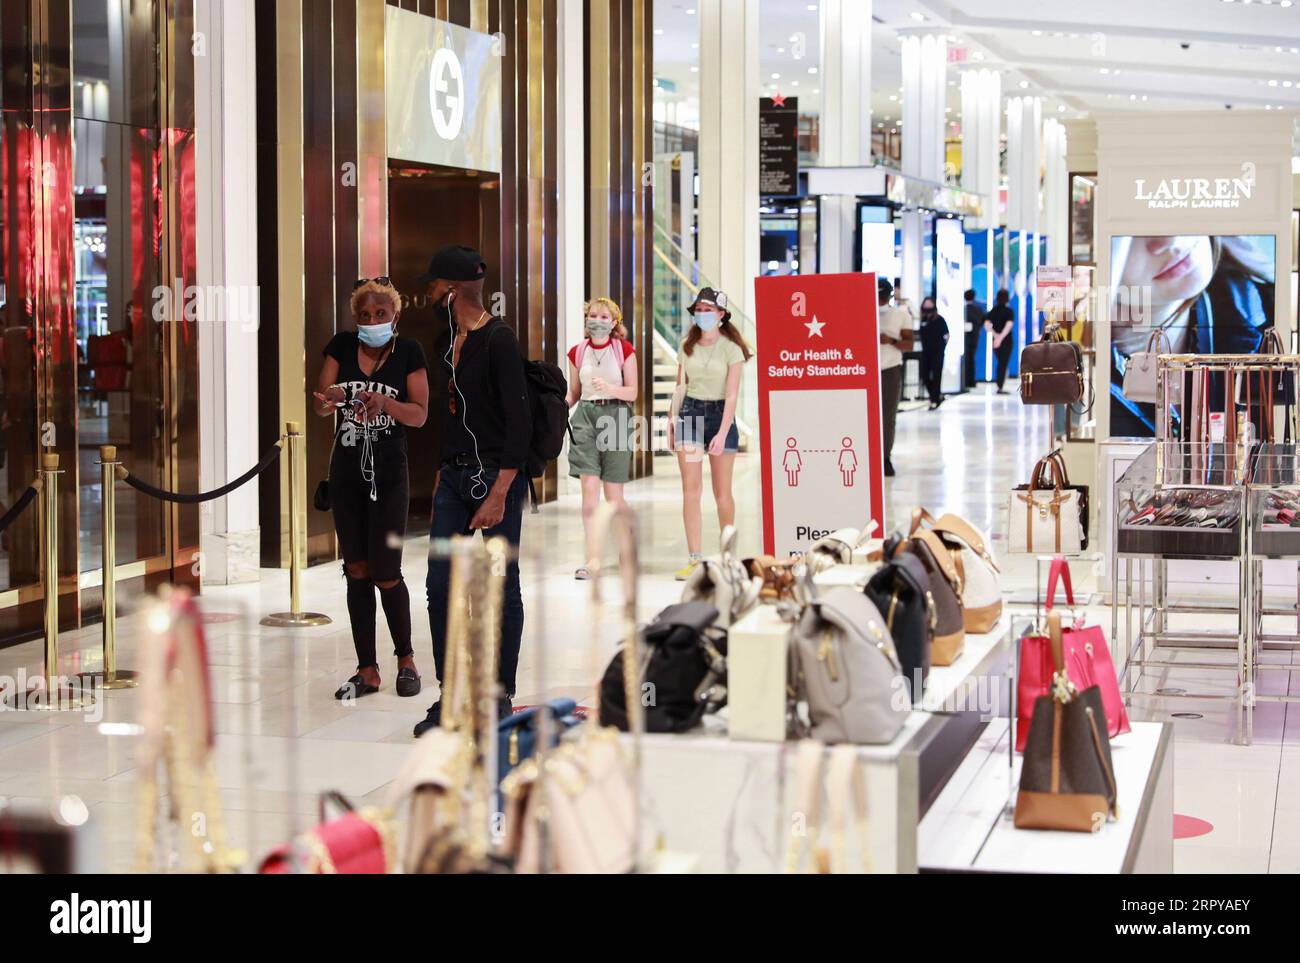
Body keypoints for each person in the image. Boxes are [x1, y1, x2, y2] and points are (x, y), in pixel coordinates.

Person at [414, 245, 531, 738]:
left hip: (497, 477)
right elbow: (454, 413)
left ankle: (500, 691)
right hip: (455, 478)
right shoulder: (446, 340)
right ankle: (451, 693)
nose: (428, 292)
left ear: (453, 289)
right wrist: (444, 467)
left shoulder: (499, 340)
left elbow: (520, 421)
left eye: (434, 285)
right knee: (440, 585)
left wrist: (501, 490)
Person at [313, 278, 429, 701]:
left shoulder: (408, 352)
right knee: (356, 569)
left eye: (380, 315)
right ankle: (367, 669)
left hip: (389, 475)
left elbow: (419, 414)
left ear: (394, 316)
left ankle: (406, 659)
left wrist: (387, 404)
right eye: (365, 316)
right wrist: (331, 400)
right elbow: (322, 399)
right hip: (346, 474)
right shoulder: (341, 347)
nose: (372, 321)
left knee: (386, 572)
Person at [1110, 234, 1275, 437]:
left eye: (1173, 207)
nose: (1169, 240)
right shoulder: (1081, 374)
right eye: (1131, 234)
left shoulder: (1269, 316)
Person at [668, 287, 751, 580]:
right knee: (691, 490)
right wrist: (671, 420)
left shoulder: (732, 349)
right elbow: (681, 386)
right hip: (690, 413)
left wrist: (724, 430)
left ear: (721, 314)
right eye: (698, 310)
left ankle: (728, 557)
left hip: (720, 416)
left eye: (708, 310)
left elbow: (732, 395)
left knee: (722, 492)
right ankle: (694, 558)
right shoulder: (686, 345)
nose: (702, 315)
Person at [566, 297, 638, 579]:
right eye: (593, 315)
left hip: (616, 417)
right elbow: (574, 392)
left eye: (604, 317)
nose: (597, 320)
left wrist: (610, 387)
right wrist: (558, 407)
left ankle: (625, 550)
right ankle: (592, 559)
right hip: (585, 416)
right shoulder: (577, 352)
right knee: (589, 495)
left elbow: (632, 392)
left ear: (614, 323)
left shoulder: (624, 350)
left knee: (614, 496)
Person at [877, 278, 912, 477]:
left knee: (888, 416)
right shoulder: (863, 313)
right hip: (866, 369)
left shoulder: (900, 315)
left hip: (890, 368)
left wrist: (891, 340)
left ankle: (885, 457)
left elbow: (909, 344)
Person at [918, 296, 949, 410]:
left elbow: (946, 335)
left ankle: (935, 399)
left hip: (937, 352)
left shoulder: (940, 320)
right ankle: (936, 395)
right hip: (925, 351)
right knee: (924, 375)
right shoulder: (923, 321)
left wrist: (942, 347)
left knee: (936, 375)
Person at [984, 289, 1015, 393]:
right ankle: (1000, 386)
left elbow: (987, 325)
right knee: (1003, 363)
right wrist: (1001, 337)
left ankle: (999, 384)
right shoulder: (1009, 311)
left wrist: (995, 336)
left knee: (1000, 362)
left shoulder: (993, 311)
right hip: (1006, 340)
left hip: (995, 341)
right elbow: (1009, 325)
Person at [963, 288, 985, 389]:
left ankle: (965, 380)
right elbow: (983, 321)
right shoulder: (978, 309)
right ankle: (971, 380)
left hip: (964, 337)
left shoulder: (963, 309)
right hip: (975, 336)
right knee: (971, 358)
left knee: (966, 358)